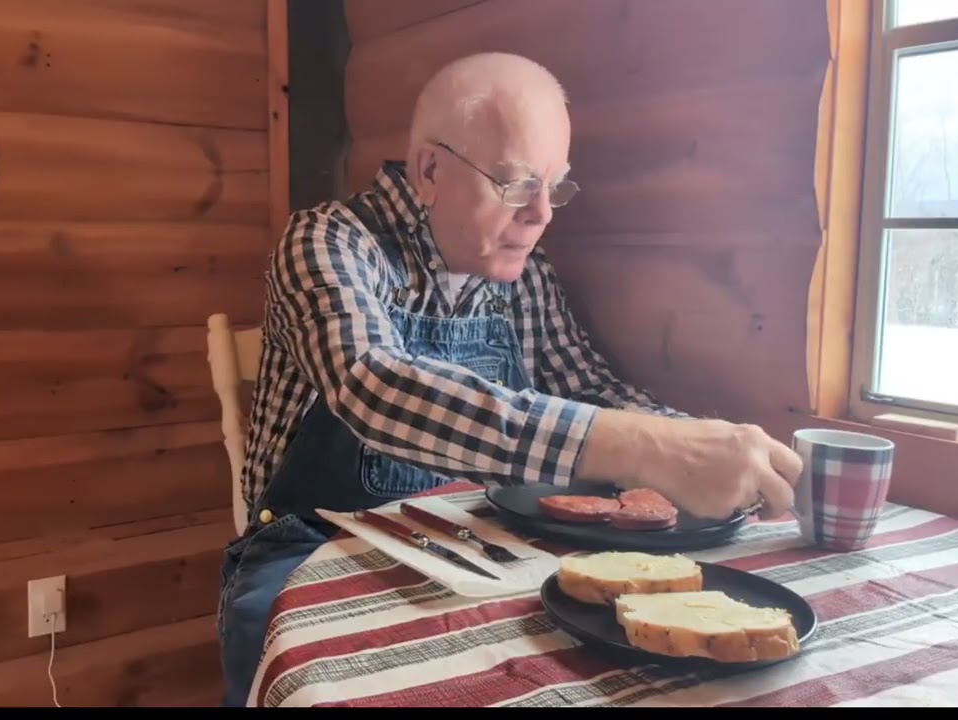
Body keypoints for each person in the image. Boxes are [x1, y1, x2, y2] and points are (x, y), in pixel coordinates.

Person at [217, 52, 803, 707]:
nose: (543, 214)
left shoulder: (523, 271)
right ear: (430, 170)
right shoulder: (328, 242)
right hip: (315, 549)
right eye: (519, 184)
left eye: (556, 187)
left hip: (476, 545)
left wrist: (704, 442)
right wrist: (647, 448)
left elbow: (590, 392)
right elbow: (372, 384)